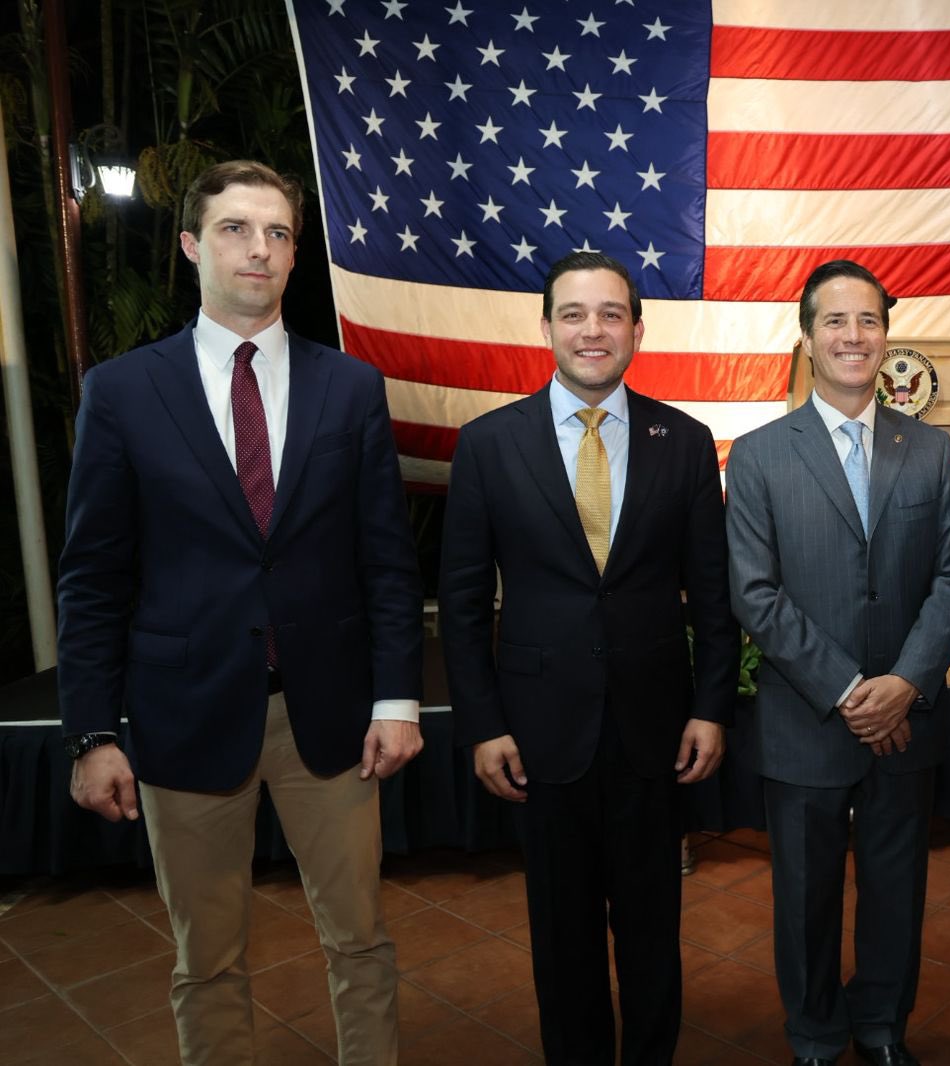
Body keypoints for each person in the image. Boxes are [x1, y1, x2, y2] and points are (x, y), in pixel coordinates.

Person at [56, 159, 424, 1065]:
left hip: (330, 719)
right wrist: (92, 732)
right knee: (207, 960)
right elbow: (93, 577)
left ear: (294, 256)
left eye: (278, 233)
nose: (258, 248)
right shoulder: (123, 391)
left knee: (361, 942)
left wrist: (397, 699)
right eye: (235, 228)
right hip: (182, 716)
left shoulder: (352, 387)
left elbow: (385, 560)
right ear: (191, 244)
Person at [437, 251, 738, 1066]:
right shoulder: (489, 445)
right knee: (562, 938)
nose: (592, 330)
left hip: (655, 732)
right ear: (546, 328)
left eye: (610, 313)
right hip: (539, 735)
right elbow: (462, 605)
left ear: (637, 329)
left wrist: (711, 707)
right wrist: (483, 725)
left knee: (652, 934)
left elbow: (713, 597)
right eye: (573, 313)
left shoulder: (685, 441)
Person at [724, 259, 950, 1066]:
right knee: (805, 897)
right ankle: (816, 1034)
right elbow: (754, 593)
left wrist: (905, 684)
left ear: (886, 335)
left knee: (897, 890)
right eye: (834, 320)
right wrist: (848, 690)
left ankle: (882, 1028)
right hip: (807, 720)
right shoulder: (758, 455)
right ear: (807, 339)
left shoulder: (929, 449)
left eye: (868, 320)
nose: (853, 335)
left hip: (906, 720)